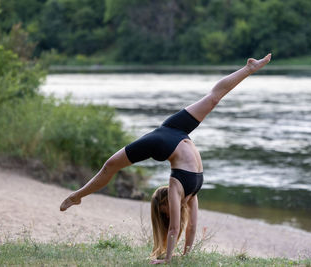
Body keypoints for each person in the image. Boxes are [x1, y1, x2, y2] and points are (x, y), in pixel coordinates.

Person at [60, 53, 271, 264]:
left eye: (166, 213)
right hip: (175, 132)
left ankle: (248, 69)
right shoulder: (191, 192)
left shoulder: (175, 187)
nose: (171, 215)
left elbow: (174, 228)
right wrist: (180, 257)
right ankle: (78, 195)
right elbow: (190, 227)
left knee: (110, 165)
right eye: (169, 215)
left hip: (163, 138)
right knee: (213, 99)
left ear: (162, 205)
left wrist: (168, 260)